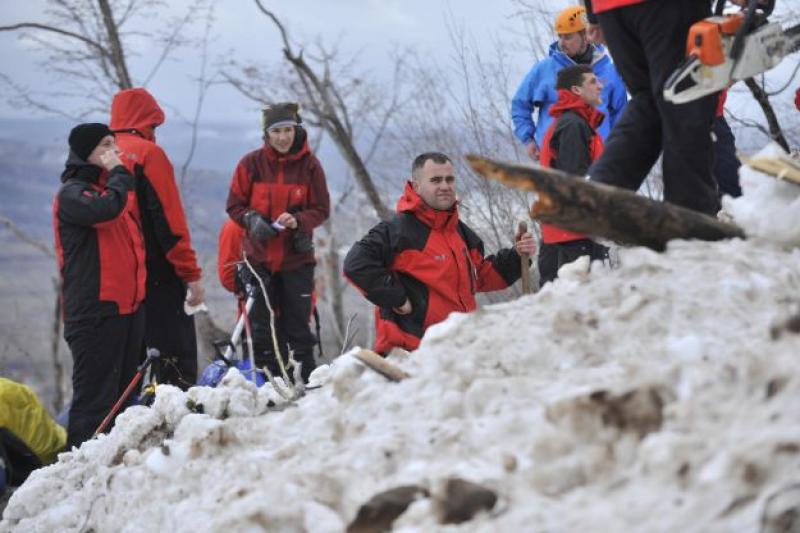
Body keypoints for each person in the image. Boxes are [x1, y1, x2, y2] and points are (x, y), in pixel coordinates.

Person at [343, 152, 537, 355]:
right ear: (416, 186)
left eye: (449, 179)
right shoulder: (397, 231)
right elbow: (355, 265)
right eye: (435, 180)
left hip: (458, 349)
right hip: (412, 354)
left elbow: (480, 277)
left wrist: (517, 256)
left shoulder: (460, 232)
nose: (445, 186)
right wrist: (397, 299)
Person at [53, 123, 146, 448]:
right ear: (86, 152)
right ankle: (77, 475)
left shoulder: (112, 193)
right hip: (94, 312)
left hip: (126, 309)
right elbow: (105, 212)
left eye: (115, 143)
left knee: (123, 398)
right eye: (105, 145)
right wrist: (120, 172)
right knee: (95, 403)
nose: (114, 151)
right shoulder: (73, 194)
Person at [583, 0, 722, 215]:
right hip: (667, 8)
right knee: (684, 98)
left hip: (610, 10)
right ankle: (689, 214)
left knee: (649, 98)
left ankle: (604, 186)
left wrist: (593, 14)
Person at [226, 102, 330, 383]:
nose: (283, 137)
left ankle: (308, 384)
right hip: (258, 261)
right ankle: (269, 387)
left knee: (298, 327)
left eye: (288, 130)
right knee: (262, 329)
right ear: (266, 134)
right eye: (276, 131)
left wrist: (299, 221)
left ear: (297, 131)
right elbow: (234, 205)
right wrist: (251, 220)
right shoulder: (251, 164)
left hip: (296, 260)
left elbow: (321, 209)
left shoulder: (310, 166)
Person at [110, 88, 205, 389]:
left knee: (124, 370)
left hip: (113, 281)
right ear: (146, 120)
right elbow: (170, 222)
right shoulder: (149, 155)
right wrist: (190, 274)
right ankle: (177, 429)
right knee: (174, 363)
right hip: (157, 274)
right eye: (154, 126)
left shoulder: (100, 154)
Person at [511, 5, 627, 161]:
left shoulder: (609, 72)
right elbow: (520, 104)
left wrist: (614, 149)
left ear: (585, 36)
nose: (561, 42)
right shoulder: (544, 69)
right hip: (554, 160)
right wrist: (528, 139)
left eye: (568, 37)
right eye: (560, 36)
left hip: (597, 161)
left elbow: (621, 114)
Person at [538, 65, 610, 284]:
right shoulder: (573, 126)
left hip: (565, 231)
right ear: (577, 90)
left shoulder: (573, 123)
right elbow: (576, 181)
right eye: (593, 82)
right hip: (575, 232)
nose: (600, 86)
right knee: (583, 301)